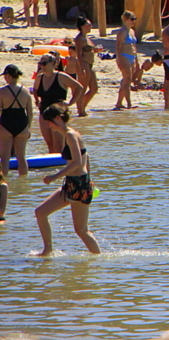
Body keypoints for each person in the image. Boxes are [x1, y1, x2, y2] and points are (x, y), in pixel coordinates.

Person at [34, 103, 101, 255]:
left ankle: (98, 259)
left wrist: (54, 176)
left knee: (81, 230)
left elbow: (77, 162)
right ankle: (47, 250)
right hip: (74, 183)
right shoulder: (71, 134)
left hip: (79, 185)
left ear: (58, 118)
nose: (48, 125)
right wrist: (89, 178)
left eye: (49, 122)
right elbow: (86, 157)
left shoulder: (71, 135)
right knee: (40, 212)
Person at [32, 53, 83, 153]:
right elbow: (35, 89)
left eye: (44, 63)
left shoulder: (61, 76)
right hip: (44, 112)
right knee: (50, 144)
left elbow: (79, 87)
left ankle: (64, 162)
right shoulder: (40, 77)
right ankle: (52, 163)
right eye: (40, 64)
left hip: (58, 114)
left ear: (53, 63)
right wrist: (37, 101)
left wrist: (71, 103)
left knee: (59, 145)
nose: (42, 66)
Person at [1, 64, 33, 179]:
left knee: (5, 158)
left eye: (5, 76)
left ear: (9, 76)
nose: (4, 78)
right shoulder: (26, 91)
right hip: (22, 125)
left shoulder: (2, 91)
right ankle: (23, 183)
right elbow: (30, 113)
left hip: (6, 124)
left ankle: (3, 183)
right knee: (21, 157)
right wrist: (28, 128)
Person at [72, 15, 99, 116]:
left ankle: (82, 107)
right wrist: (82, 68)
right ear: (82, 26)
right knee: (82, 88)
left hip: (90, 64)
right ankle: (80, 111)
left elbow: (89, 50)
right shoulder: (79, 39)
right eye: (88, 25)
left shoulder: (87, 38)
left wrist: (96, 50)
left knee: (94, 88)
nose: (90, 27)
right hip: (83, 64)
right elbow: (78, 54)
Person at [114, 11, 140, 110]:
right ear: (125, 19)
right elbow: (118, 47)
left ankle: (119, 103)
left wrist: (137, 60)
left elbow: (134, 46)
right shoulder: (122, 32)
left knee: (127, 80)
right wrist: (119, 60)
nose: (134, 21)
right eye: (132, 19)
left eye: (135, 19)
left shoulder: (132, 31)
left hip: (132, 56)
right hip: (124, 56)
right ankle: (129, 103)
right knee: (127, 80)